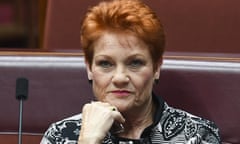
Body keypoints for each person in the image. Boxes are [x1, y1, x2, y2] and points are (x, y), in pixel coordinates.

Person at [41, 0, 221, 143]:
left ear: (156, 67)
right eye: (105, 63)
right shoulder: (60, 136)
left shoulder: (198, 135)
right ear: (89, 68)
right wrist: (88, 141)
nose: (120, 78)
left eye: (135, 63)